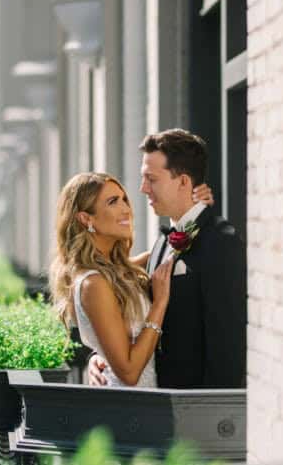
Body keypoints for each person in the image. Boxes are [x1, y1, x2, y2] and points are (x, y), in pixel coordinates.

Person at [89, 128, 246, 389]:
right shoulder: (162, 243)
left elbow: (228, 347)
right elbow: (138, 321)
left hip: (195, 411)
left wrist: (212, 419)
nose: (142, 189)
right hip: (159, 404)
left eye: (151, 179)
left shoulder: (222, 242)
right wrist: (103, 357)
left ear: (183, 182)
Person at [49, 170, 214, 387]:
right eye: (113, 202)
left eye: (124, 200)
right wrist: (159, 304)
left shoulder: (122, 270)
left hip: (151, 401)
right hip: (129, 408)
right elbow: (128, 372)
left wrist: (199, 208)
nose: (126, 209)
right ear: (86, 218)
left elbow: (174, 244)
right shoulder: (93, 284)